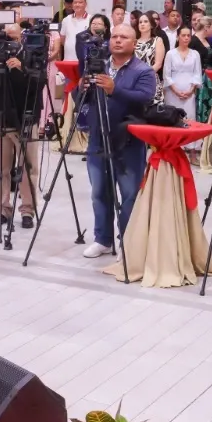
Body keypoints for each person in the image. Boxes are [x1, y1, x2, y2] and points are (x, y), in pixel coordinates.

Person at [78, 25, 155, 259]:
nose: (118, 40)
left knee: (129, 194)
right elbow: (80, 99)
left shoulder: (143, 70)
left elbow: (145, 98)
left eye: (124, 37)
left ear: (134, 43)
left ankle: (127, 241)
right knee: (99, 192)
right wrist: (81, 88)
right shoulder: (97, 65)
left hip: (128, 141)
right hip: (98, 138)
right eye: (115, 36)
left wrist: (115, 89)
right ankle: (103, 239)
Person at [0, 23, 43, 229]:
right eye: (5, 38)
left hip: (25, 118)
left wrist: (22, 68)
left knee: (27, 167)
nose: (8, 42)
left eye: (13, 37)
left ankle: (27, 210)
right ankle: (2, 209)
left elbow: (40, 83)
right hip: (2, 118)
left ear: (21, 37)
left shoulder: (32, 53)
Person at [162, 25, 204, 123]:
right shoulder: (170, 54)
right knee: (172, 120)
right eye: (183, 35)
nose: (186, 38)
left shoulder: (195, 54)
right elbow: (166, 75)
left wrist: (190, 91)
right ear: (178, 37)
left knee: (189, 120)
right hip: (172, 92)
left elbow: (197, 74)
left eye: (188, 36)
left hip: (189, 92)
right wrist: (176, 91)